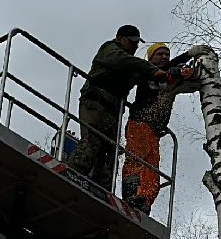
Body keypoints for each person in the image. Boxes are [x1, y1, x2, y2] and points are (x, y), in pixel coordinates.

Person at [70, 25, 175, 195]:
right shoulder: (110, 50)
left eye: (136, 43)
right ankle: (72, 172)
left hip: (113, 111)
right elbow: (128, 63)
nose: (135, 46)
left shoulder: (131, 64)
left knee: (109, 154)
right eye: (132, 42)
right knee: (92, 141)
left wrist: (169, 72)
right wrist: (152, 70)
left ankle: (100, 189)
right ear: (120, 39)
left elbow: (143, 77)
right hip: (96, 102)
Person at [121, 42, 197, 211]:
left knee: (152, 170)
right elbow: (167, 73)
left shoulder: (169, 78)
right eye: (159, 54)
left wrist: (195, 74)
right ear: (151, 57)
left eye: (166, 55)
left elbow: (177, 81)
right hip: (139, 124)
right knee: (136, 161)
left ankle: (144, 201)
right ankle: (131, 195)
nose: (164, 57)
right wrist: (186, 56)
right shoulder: (147, 72)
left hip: (154, 132)